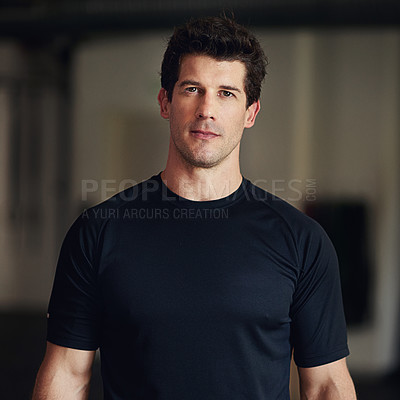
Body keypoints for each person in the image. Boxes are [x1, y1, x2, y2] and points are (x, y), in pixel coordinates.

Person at [33, 15, 356, 399]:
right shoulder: (98, 232)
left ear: (250, 112)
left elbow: (325, 385)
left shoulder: (302, 242)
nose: (207, 109)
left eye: (226, 93)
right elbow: (68, 374)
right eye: (192, 89)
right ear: (165, 101)